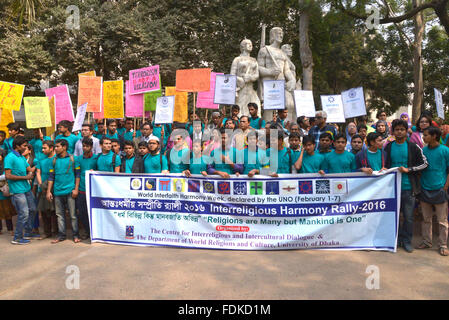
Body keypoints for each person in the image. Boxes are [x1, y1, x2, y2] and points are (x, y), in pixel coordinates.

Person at [384, 119, 428, 253]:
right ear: (393, 131)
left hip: (409, 188)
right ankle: (396, 240)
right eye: (396, 129)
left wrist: (409, 170)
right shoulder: (388, 146)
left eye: (402, 129)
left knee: (408, 217)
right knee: (394, 216)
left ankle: (407, 241)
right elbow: (384, 164)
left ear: (406, 131)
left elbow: (425, 164)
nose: (399, 132)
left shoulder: (413, 146)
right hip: (392, 188)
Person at [416, 126, 449, 256]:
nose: (423, 138)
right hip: (425, 188)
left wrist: (446, 186)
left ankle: (443, 244)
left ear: (434, 136)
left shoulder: (445, 151)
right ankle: (426, 241)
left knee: (442, 220)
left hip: (440, 189)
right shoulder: (423, 151)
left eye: (425, 135)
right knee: (426, 219)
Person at [4, 136, 38, 244]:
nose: (26, 147)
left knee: (32, 209)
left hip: (26, 189)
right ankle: (17, 238)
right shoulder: (10, 157)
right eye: (24, 145)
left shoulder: (22, 157)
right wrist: (26, 177)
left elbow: (29, 169)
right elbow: (8, 176)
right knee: (24, 213)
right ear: (17, 146)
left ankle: (28, 232)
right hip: (17, 191)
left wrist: (39, 165)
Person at [46, 139, 81, 244]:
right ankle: (61, 235)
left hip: (70, 191)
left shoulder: (73, 159)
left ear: (64, 147)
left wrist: (76, 189)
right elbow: (51, 177)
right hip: (57, 192)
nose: (55, 149)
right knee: (59, 215)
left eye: (57, 146)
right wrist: (48, 191)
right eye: (55, 147)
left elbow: (78, 175)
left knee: (73, 215)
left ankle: (76, 235)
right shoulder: (53, 160)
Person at [75, 137, 99, 239]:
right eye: (83, 146)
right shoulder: (78, 159)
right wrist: (76, 188)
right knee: (82, 212)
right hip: (82, 189)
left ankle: (95, 231)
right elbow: (77, 174)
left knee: (94, 212)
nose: (85, 148)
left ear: (91, 147)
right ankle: (87, 231)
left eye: (87, 146)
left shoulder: (96, 158)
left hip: (93, 190)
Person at [36, 141, 57, 239]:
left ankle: (57, 232)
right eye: (42, 148)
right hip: (43, 190)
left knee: (55, 212)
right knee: (44, 211)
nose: (42, 150)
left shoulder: (57, 159)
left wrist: (49, 188)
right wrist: (41, 185)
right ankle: (47, 232)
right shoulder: (41, 160)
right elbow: (38, 173)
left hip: (54, 188)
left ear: (51, 148)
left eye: (45, 148)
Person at [0, 149, 16, 236]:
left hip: (4, 193)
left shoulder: (5, 166)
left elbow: (6, 176)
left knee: (7, 212)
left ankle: (10, 229)